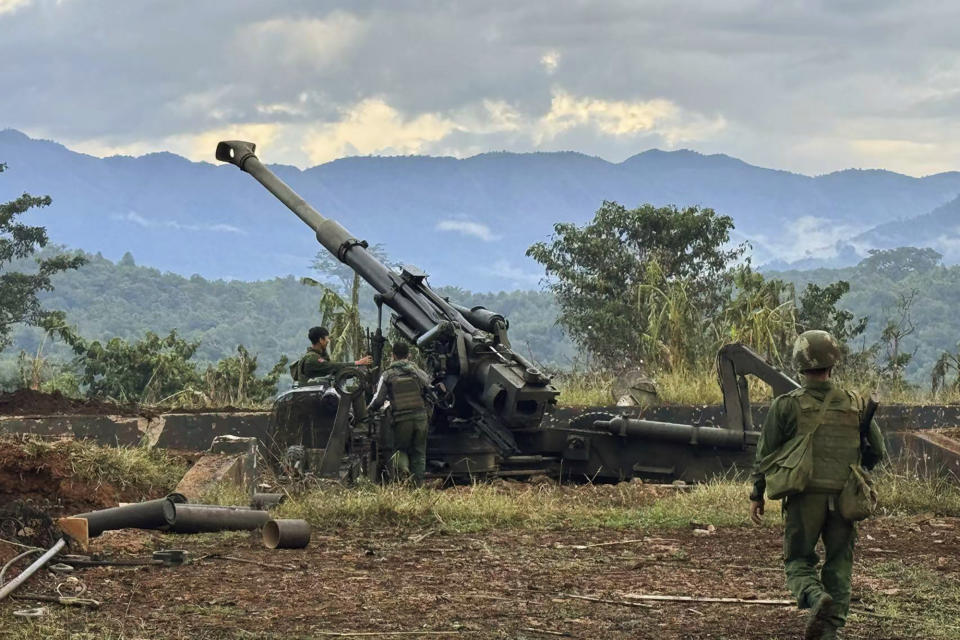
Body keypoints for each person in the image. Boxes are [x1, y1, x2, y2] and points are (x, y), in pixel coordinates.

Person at [749, 330, 886, 640]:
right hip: (845, 498)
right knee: (839, 564)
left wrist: (757, 494)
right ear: (832, 364)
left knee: (798, 558)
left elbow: (765, 454)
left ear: (800, 366)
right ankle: (830, 630)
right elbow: (877, 452)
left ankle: (813, 595)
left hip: (803, 496)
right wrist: (858, 465)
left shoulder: (786, 405)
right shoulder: (854, 403)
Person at [366, 340, 432, 486]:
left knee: (400, 449)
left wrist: (367, 412)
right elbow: (430, 388)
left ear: (393, 355)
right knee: (419, 452)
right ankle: (418, 485)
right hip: (421, 418)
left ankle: (404, 475)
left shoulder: (388, 374)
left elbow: (378, 400)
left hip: (402, 419)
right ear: (409, 355)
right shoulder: (418, 372)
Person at [292, 326, 372, 384]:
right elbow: (332, 366)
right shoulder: (312, 359)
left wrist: (356, 372)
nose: (328, 341)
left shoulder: (317, 355)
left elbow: (337, 372)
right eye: (327, 338)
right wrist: (357, 363)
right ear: (321, 340)